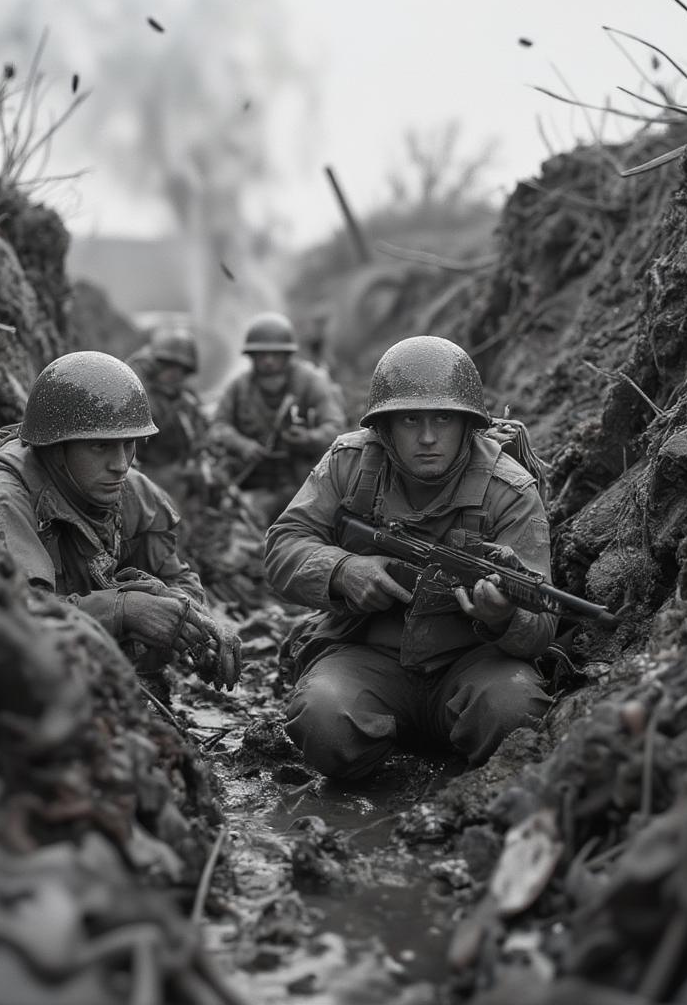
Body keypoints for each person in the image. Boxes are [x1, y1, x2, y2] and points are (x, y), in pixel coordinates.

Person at [264, 335, 553, 781]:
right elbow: (284, 544)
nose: (428, 437)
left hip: (472, 663)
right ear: (384, 427)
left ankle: (465, 772)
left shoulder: (509, 491)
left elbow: (541, 625)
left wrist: (503, 617)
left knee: (516, 714)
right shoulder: (350, 464)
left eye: (443, 418)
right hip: (366, 653)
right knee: (322, 719)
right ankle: (377, 751)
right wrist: (344, 570)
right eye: (410, 420)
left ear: (469, 424)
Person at [0, 350, 240, 700]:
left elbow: (174, 575)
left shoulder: (128, 489)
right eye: (101, 446)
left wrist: (196, 621)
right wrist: (123, 610)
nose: (120, 465)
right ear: (56, 447)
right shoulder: (1, 499)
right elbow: (10, 618)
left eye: (128, 444)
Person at [208, 311, 346, 525]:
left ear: (287, 355)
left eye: (276, 354)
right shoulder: (239, 388)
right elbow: (218, 426)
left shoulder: (311, 383)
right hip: (253, 481)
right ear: (252, 357)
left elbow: (335, 427)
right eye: (262, 355)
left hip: (303, 481)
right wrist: (242, 444)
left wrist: (308, 438)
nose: (269, 361)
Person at [126, 327, 208, 504]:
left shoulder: (187, 401)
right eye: (167, 365)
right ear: (155, 365)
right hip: (145, 475)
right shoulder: (139, 395)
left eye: (181, 368)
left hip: (181, 474)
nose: (174, 373)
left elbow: (202, 434)